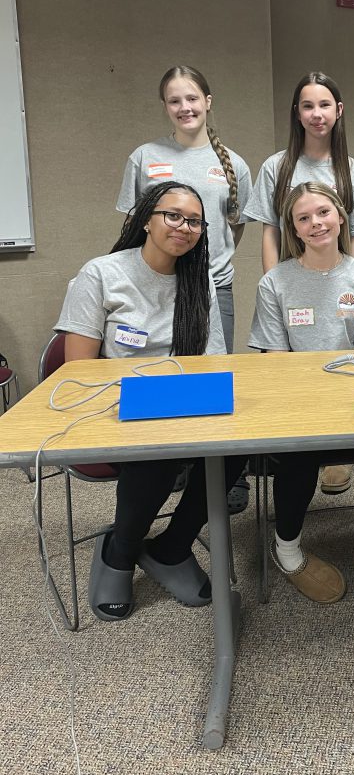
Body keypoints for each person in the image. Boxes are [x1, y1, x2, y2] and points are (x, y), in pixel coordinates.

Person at [55, 181, 247, 621]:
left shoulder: (200, 284)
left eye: (195, 221)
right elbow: (79, 374)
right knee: (157, 455)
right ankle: (119, 552)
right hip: (111, 410)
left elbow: (212, 365)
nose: (184, 226)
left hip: (178, 405)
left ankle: (171, 546)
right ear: (146, 219)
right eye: (173, 215)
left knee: (243, 447)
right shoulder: (101, 274)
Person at [248, 181, 354, 604]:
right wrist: (310, 404)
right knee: (299, 453)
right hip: (300, 403)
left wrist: (344, 400)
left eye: (323, 212)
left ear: (340, 217)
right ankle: (286, 550)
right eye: (303, 218)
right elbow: (275, 361)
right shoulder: (276, 283)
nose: (315, 223)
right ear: (294, 229)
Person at [117, 65, 253, 513]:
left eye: (192, 99)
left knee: (212, 379)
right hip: (157, 288)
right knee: (164, 375)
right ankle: (170, 465)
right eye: (175, 100)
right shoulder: (145, 156)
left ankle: (224, 477)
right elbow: (133, 226)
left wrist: (210, 266)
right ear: (165, 107)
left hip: (215, 287)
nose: (185, 108)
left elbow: (237, 229)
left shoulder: (232, 164)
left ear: (208, 102)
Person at [245, 71, 354, 496]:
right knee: (291, 361)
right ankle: (300, 436)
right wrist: (275, 281)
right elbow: (269, 229)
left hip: (339, 279)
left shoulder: (351, 169)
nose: (317, 114)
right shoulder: (277, 166)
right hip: (291, 279)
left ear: (338, 111)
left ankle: (337, 449)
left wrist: (347, 282)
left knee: (344, 353)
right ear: (297, 113)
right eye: (308, 106)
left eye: (324, 105)